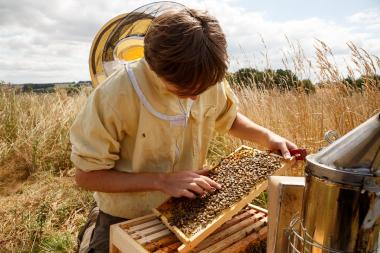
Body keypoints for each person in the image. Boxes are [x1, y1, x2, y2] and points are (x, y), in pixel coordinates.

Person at [71, 7, 297, 253]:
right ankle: (93, 228)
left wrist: (267, 136)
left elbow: (227, 118)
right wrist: (162, 181)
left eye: (203, 89)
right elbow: (86, 176)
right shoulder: (113, 96)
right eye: (184, 90)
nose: (195, 97)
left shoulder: (205, 76)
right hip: (125, 217)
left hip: (189, 212)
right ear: (154, 67)